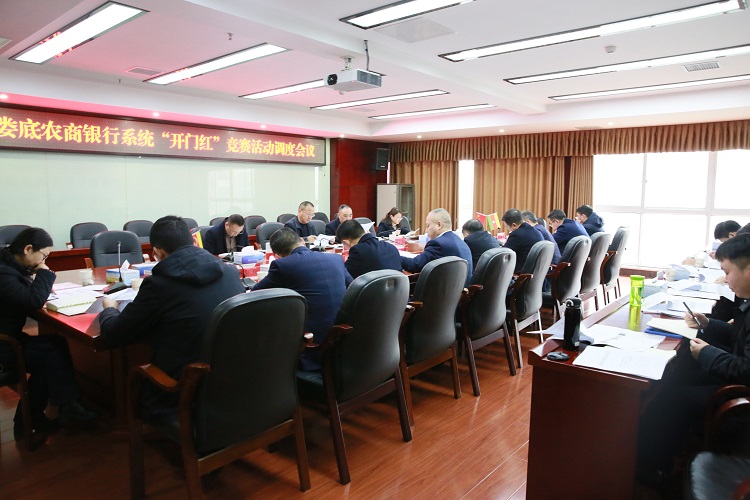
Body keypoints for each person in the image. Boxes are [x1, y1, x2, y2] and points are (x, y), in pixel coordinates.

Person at [98, 216, 245, 424]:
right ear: (193, 241)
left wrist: (110, 310)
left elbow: (115, 334)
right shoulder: (230, 272)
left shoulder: (160, 284)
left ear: (157, 252)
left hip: (183, 394)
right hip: (234, 383)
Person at [637, 233, 750, 484]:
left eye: (728, 272)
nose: (726, 280)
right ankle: (666, 451)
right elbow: (739, 336)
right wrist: (708, 323)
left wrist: (707, 352)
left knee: (671, 398)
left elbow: (746, 369)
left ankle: (651, 470)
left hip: (741, 395)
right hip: (736, 379)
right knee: (677, 373)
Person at [0, 227, 97, 436]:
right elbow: (33, 301)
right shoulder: (3, 272)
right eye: (43, 256)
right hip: (4, 345)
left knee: (55, 346)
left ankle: (40, 415)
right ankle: (64, 406)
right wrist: (43, 273)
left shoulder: (9, 264)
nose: (43, 261)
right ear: (28, 249)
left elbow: (23, 295)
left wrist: (37, 279)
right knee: (51, 353)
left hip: (9, 337)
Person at [253, 228, 352, 371]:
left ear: (277, 256)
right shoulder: (335, 259)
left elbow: (255, 294)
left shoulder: (283, 265)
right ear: (302, 241)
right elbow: (353, 286)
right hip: (345, 340)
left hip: (313, 347)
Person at [400, 208, 473, 287]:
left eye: (428, 226)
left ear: (439, 225)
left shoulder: (438, 244)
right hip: (461, 291)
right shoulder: (461, 242)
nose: (426, 231)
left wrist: (394, 255)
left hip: (442, 293)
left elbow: (414, 265)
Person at [338, 219, 402, 279]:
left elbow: (343, 275)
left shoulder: (358, 251)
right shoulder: (390, 247)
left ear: (346, 242)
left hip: (375, 287)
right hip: (399, 286)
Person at [501, 209, 544, 273]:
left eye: (507, 227)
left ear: (514, 225)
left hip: (522, 273)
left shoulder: (517, 234)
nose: (508, 229)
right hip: (536, 272)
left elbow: (503, 253)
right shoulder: (536, 231)